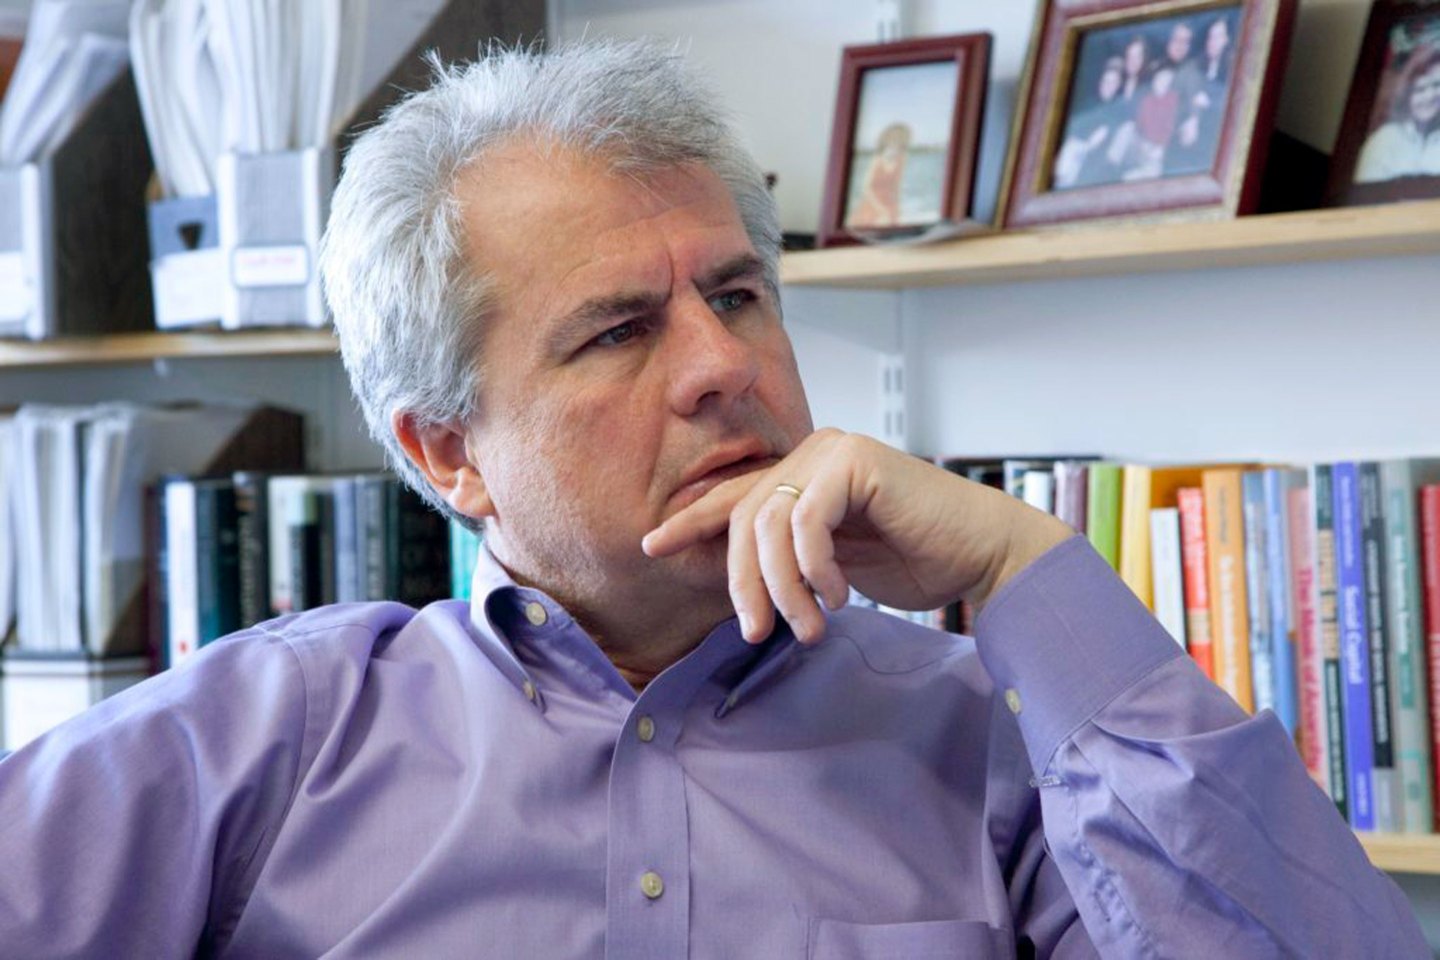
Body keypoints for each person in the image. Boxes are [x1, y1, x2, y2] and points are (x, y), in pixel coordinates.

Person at [0, 40, 1428, 958]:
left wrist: (1021, 570)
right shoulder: (272, 739)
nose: (724, 367)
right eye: (620, 330)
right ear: (447, 454)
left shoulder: (999, 742)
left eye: (739, 295)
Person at [1355, 42, 1440, 183]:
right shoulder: (1385, 140)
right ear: (1407, 95)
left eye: (1437, 85)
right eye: (1420, 89)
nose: (1429, 95)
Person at [1167, 14, 1234, 176]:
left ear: (1227, 40)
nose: (1213, 42)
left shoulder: (1233, 65)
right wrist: (1191, 118)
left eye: (1218, 37)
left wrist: (1205, 108)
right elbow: (1180, 99)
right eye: (1211, 37)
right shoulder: (1195, 67)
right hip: (1184, 137)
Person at [1053, 56, 1128, 189]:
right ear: (1100, 82)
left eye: (1113, 82)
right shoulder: (1088, 103)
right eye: (1106, 81)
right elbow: (1074, 130)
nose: (1108, 86)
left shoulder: (1118, 110)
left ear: (1118, 86)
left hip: (1096, 160)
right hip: (1077, 149)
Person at [846, 120, 910, 228]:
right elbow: (866, 189)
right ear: (886, 141)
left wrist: (897, 207)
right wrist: (881, 210)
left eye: (900, 141)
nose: (896, 144)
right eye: (893, 140)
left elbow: (896, 187)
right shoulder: (877, 160)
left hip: (889, 203)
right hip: (872, 203)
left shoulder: (901, 159)